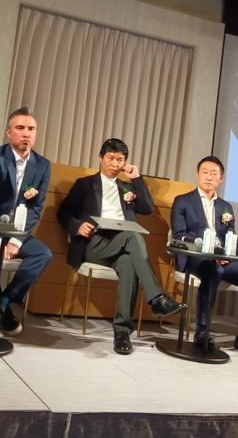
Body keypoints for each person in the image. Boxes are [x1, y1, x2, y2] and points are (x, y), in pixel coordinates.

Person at [58, 138, 186, 355]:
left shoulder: (127, 187)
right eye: (111, 158)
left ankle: (122, 332)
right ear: (100, 158)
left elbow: (147, 208)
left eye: (120, 160)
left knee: (128, 263)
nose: (115, 164)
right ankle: (157, 299)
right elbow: (64, 212)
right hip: (93, 243)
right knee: (132, 235)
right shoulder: (85, 184)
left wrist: (136, 178)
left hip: (122, 245)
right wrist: (77, 226)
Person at [171, 156, 238, 358]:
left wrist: (225, 253)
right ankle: (202, 331)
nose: (209, 177)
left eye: (214, 174)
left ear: (221, 178)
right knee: (214, 270)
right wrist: (207, 248)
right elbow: (179, 235)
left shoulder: (225, 207)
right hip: (196, 256)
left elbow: (231, 234)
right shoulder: (183, 201)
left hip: (221, 257)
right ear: (197, 175)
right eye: (204, 172)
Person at [0, 107, 52, 336]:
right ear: (8, 133)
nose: (26, 133)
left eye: (31, 129)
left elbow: (35, 208)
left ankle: (1, 304)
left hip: (17, 231)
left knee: (43, 254)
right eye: (20, 128)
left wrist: (15, 241)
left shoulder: (43, 165)